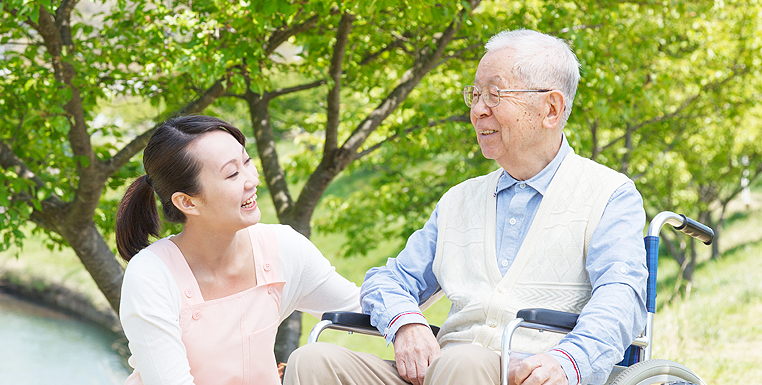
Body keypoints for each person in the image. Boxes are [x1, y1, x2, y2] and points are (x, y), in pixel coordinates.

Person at [283, 29, 648, 385]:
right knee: (313, 361)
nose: (477, 111)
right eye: (474, 95)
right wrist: (407, 323)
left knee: (464, 362)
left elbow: (621, 299)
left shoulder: (610, 194)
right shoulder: (459, 200)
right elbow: (388, 280)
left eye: (493, 95)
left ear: (550, 109)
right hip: (443, 371)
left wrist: (568, 362)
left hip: (528, 375)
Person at [115, 115, 360, 385]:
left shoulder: (282, 249)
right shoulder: (152, 275)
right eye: (232, 174)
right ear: (187, 202)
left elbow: (363, 307)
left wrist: (407, 321)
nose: (252, 180)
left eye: (247, 161)